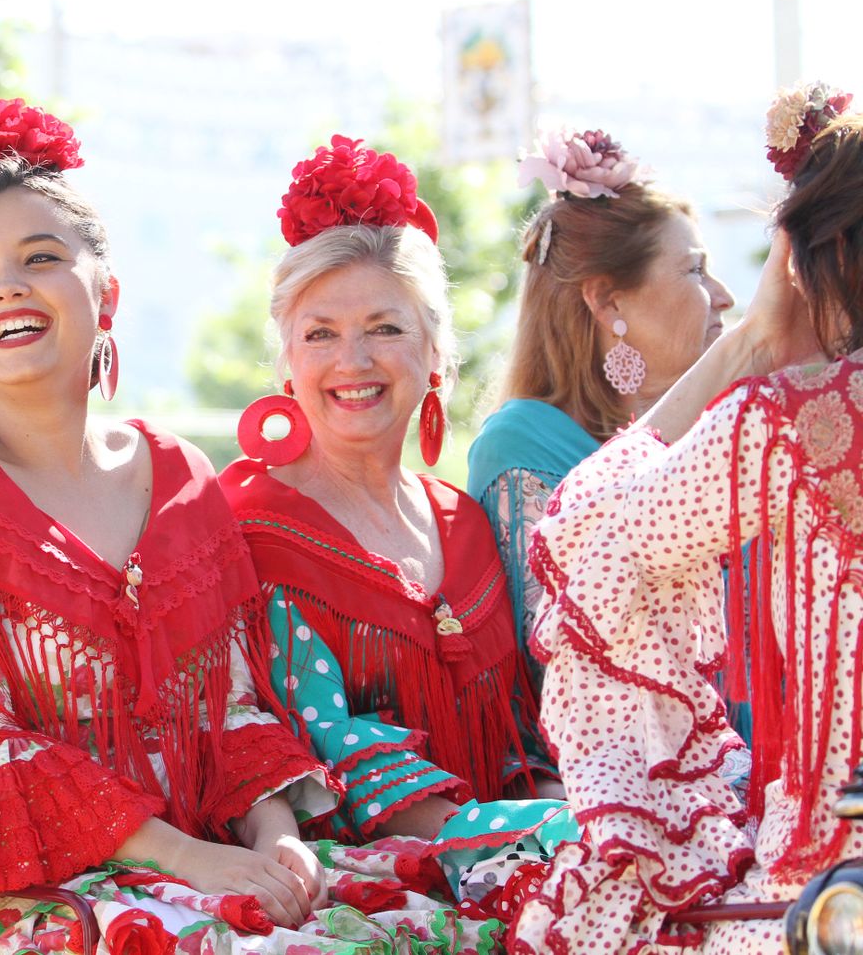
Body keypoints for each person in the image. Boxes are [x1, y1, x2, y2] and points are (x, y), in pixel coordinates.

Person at [0, 100, 508, 954]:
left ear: (108, 293)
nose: (8, 287)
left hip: (210, 865)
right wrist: (190, 861)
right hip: (36, 897)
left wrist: (276, 834)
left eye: (41, 258)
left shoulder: (180, 476)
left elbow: (236, 708)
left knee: (458, 925)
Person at [509, 83, 855, 954]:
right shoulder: (776, 427)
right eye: (696, 270)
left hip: (829, 880)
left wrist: (753, 352)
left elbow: (586, 540)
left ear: (814, 261)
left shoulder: (798, 425)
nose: (729, 298)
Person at [217, 139, 569, 908]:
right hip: (357, 882)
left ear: (436, 352)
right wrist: (521, 837)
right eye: (320, 334)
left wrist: (557, 817)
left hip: (509, 850)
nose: (354, 360)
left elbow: (518, 730)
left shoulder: (468, 525)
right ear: (284, 363)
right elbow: (324, 739)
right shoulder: (254, 526)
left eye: (385, 327)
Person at [466, 128, 734, 691]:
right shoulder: (522, 445)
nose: (724, 294)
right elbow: (561, 660)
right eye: (694, 270)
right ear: (607, 299)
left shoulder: (713, 433)